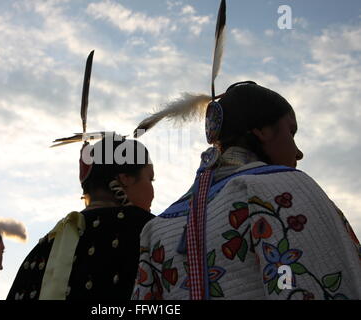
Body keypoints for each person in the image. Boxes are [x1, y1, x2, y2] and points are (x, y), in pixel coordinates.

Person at [132, 82, 361, 300]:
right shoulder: (282, 187)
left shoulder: (156, 229)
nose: (298, 152)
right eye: (291, 132)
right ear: (262, 130)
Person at [7, 134, 155, 300]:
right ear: (125, 179)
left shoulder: (42, 249)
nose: (153, 192)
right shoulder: (149, 231)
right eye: (150, 179)